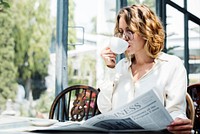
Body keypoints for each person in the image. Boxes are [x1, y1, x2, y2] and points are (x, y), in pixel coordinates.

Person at [97, 4, 193, 134]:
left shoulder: (171, 65)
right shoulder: (120, 67)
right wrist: (110, 69)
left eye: (129, 30)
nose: (124, 37)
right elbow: (105, 109)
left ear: (146, 31)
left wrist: (179, 122)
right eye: (121, 31)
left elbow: (175, 110)